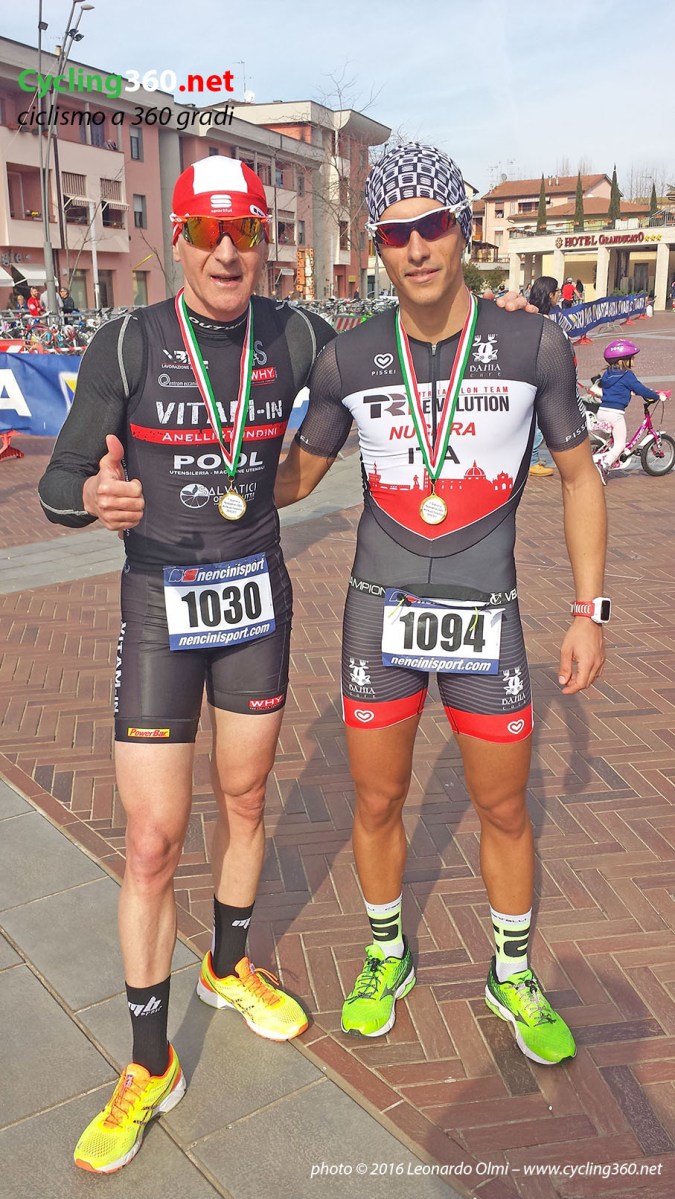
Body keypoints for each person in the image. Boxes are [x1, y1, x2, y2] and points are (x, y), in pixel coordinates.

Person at [276, 142, 608, 1067]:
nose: (416, 247)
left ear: (461, 231)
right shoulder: (349, 357)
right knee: (377, 797)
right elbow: (296, 476)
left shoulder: (532, 344)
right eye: (395, 233)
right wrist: (193, 483)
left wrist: (589, 611)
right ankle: (387, 952)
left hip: (485, 613)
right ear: (376, 248)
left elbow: (580, 477)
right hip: (376, 613)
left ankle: (511, 972)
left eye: (431, 226)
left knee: (502, 807)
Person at [38, 155, 336, 1174]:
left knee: (245, 799)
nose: (225, 251)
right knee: (154, 841)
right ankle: (148, 1061)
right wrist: (96, 501)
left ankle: (228, 966)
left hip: (255, 599)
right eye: (206, 232)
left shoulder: (296, 333)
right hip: (160, 604)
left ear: (264, 241)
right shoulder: (127, 339)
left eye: (243, 230)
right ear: (177, 239)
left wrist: (498, 320)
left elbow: (384, 365)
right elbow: (59, 481)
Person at [594, 338, 667, 484]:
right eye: (632, 358)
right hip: (615, 414)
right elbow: (641, 389)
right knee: (620, 444)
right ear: (623, 360)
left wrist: (628, 391)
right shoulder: (627, 375)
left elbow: (615, 388)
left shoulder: (608, 373)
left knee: (607, 442)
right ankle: (604, 466)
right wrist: (657, 395)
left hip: (602, 411)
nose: (634, 360)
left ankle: (600, 459)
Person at [527, 277, 560, 477]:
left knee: (534, 422)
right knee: (538, 424)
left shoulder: (529, 315)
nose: (559, 296)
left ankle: (532, 458)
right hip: (540, 378)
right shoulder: (543, 321)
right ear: (550, 294)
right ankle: (531, 461)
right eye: (557, 292)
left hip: (533, 376)